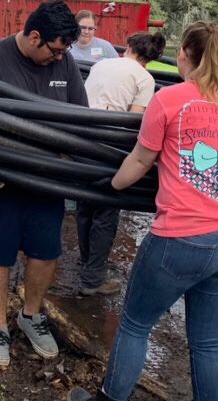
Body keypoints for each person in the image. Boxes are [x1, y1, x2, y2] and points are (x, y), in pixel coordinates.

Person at [70, 21, 218, 401]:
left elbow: (139, 161)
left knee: (135, 325)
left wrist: (107, 185)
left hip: (181, 237)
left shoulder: (169, 100)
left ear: (183, 55)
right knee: (205, 340)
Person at [0, 0, 86, 367]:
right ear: (35, 37)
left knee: (45, 251)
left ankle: (30, 316)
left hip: (45, 181)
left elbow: (80, 115)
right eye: (56, 50)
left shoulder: (65, 64)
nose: (59, 58)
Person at [76, 31, 166, 296]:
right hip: (110, 146)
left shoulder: (101, 64)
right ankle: (93, 278)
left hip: (79, 136)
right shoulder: (145, 78)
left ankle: (87, 262)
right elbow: (134, 121)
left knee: (84, 201)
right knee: (106, 209)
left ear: (128, 47)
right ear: (152, 58)